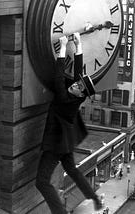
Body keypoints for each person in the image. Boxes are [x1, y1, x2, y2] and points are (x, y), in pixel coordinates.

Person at [36, 33, 104, 214]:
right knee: (72, 169)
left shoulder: (65, 99)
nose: (74, 85)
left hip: (57, 144)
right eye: (76, 84)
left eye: (78, 87)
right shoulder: (76, 97)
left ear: (80, 94)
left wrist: (63, 47)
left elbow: (58, 78)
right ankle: (94, 198)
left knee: (41, 182)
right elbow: (79, 73)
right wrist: (78, 44)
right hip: (66, 142)